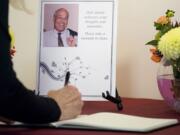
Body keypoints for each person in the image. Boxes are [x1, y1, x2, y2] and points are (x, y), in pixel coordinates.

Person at [0, 0, 83, 124]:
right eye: (59, 17)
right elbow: (5, 92)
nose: (62, 21)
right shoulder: (45, 35)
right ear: (54, 19)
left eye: (65, 18)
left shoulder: (74, 36)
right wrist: (55, 107)